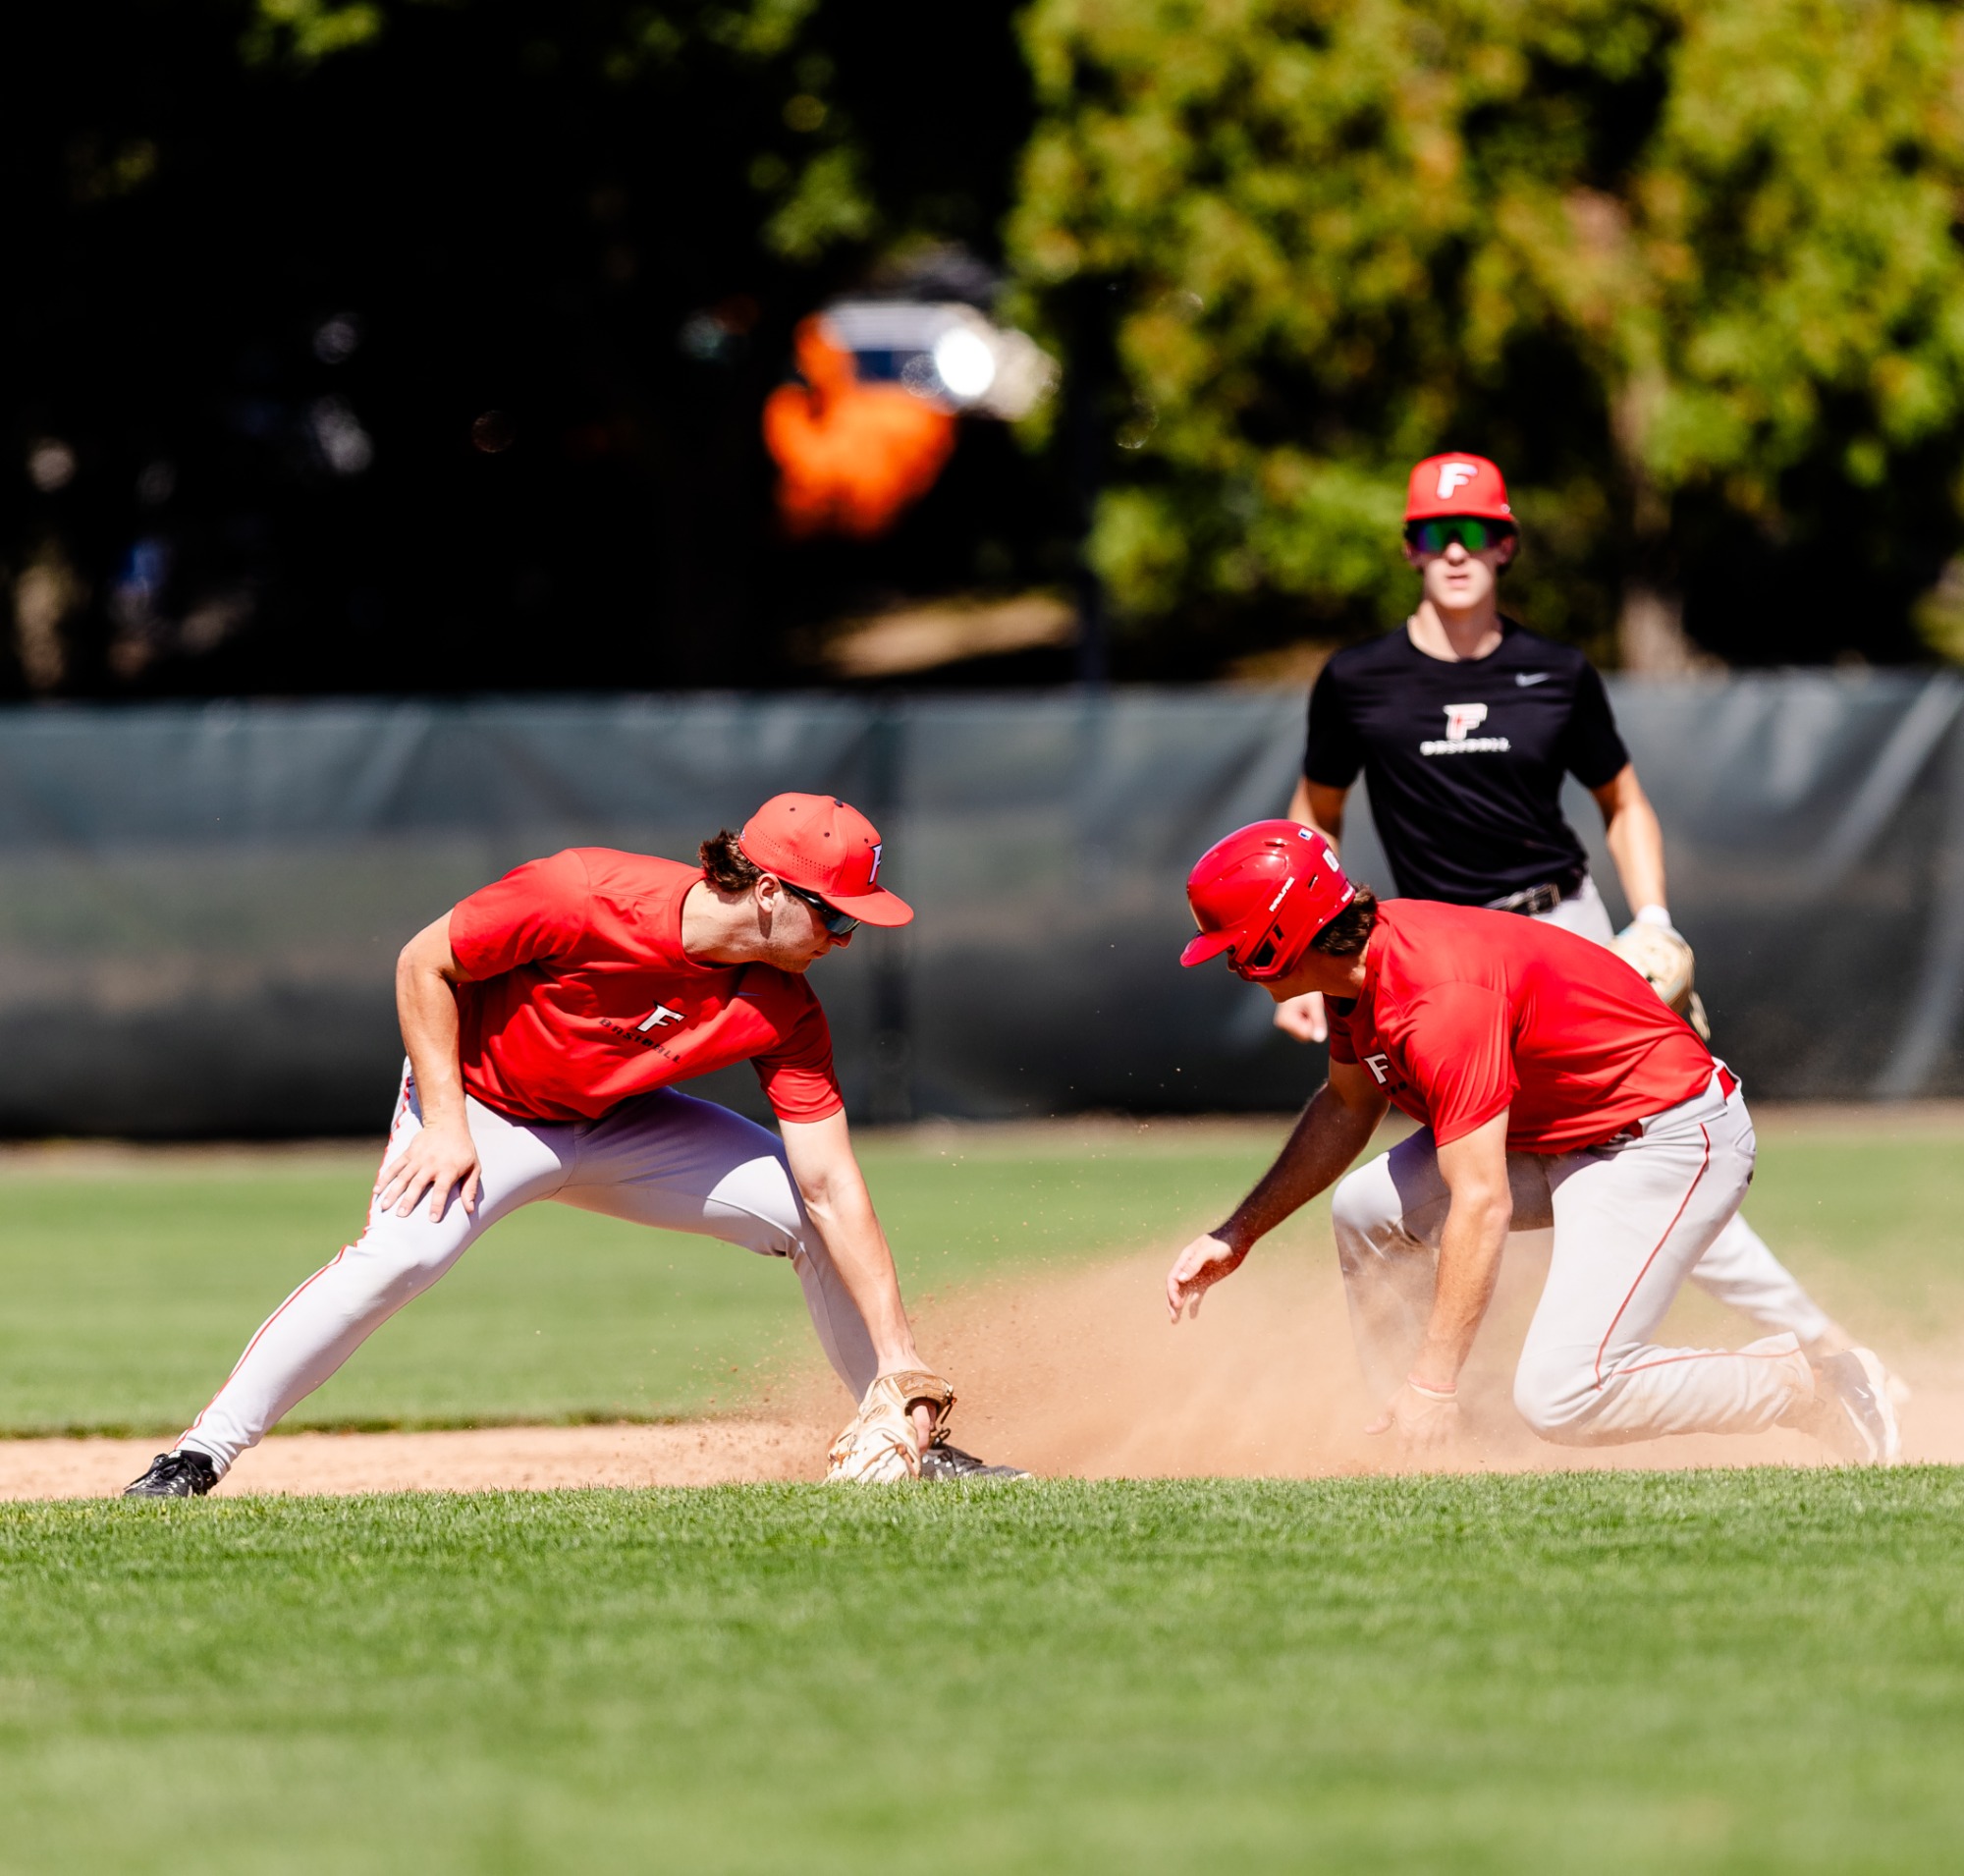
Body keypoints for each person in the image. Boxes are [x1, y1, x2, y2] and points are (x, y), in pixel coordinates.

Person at [124, 793, 1023, 1496]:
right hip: (482, 1107)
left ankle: (904, 1437)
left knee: (804, 1216)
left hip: (621, 1124)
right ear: (772, 892)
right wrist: (444, 1120)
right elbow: (421, 963)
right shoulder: (583, 894)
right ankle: (197, 1457)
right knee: (401, 1258)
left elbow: (831, 1180)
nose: (845, 938)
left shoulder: (785, 1007)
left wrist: (904, 1358)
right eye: (837, 917)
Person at [1270, 451, 1889, 1381]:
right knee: (1473, 1183)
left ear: (1506, 545)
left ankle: (1823, 1352)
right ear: (1410, 549)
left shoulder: (1552, 671)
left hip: (1563, 933)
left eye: (1476, 530)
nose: (1457, 549)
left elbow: (1623, 803)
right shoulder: (1358, 680)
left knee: (1636, 1151)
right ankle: (1423, 1399)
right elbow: (1313, 815)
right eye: (1437, 532)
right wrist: (1308, 960)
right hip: (1438, 956)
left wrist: (1653, 916)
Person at [1166, 821, 1900, 1463]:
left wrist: (1434, 1377)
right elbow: (1346, 1106)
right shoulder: (1355, 972)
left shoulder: (1434, 1000)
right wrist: (1240, 1232)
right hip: (1558, 1131)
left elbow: (1479, 1204)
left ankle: (1812, 1385)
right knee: (1365, 1210)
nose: (1228, 963)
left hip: (1661, 1137)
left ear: (1276, 941)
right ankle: (1431, 1447)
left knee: (1564, 1396)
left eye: (1233, 946)